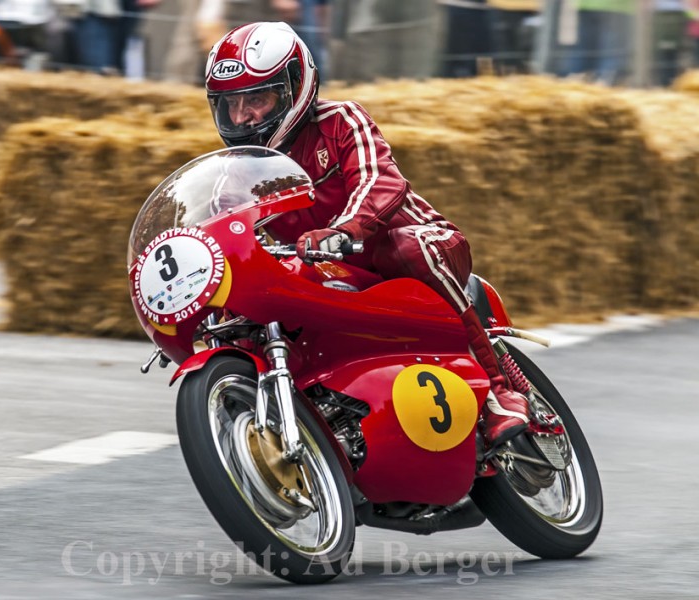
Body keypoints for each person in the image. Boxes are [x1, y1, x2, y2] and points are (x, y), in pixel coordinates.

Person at [204, 21, 534, 447]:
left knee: (406, 248)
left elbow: (380, 182)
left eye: (257, 99)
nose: (242, 116)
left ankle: (498, 391)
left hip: (412, 247)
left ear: (294, 88)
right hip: (330, 278)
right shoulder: (232, 180)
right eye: (231, 103)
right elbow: (225, 246)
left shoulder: (341, 121)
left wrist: (344, 231)